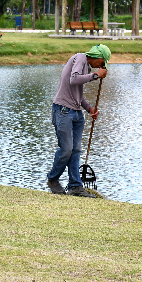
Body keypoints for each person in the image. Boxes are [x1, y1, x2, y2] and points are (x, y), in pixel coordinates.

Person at [46, 44, 110, 197]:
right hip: (63, 110)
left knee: (75, 151)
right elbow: (74, 79)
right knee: (66, 150)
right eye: (102, 63)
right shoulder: (81, 57)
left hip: (76, 113)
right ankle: (53, 179)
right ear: (97, 56)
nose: (101, 66)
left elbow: (77, 94)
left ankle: (75, 186)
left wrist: (89, 109)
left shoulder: (86, 67)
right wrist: (96, 75)